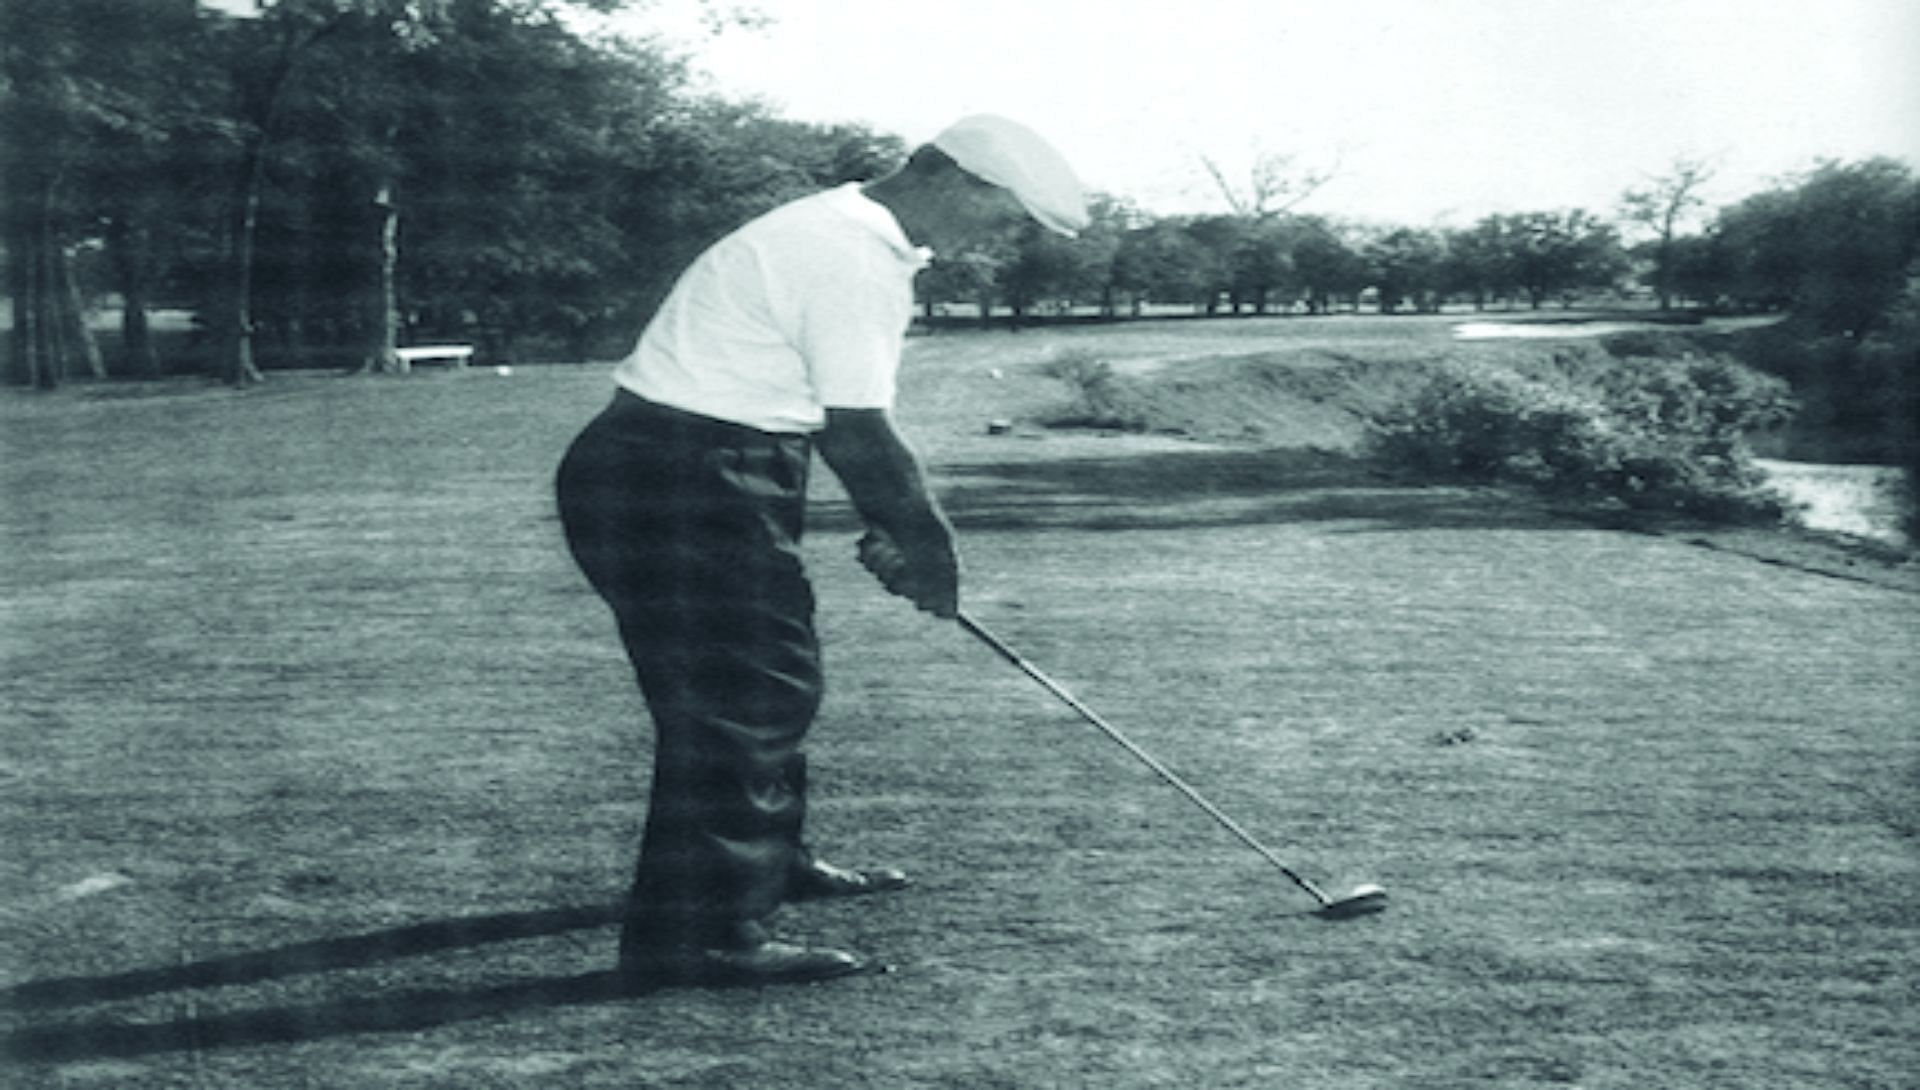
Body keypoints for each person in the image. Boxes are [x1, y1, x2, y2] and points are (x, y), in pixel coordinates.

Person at [555, 115, 1088, 990]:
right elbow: (861, 433)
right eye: (1002, 217)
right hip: (686, 474)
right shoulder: (848, 254)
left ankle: (770, 865)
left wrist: (895, 534)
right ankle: (702, 937)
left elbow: (809, 415)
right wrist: (931, 553)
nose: (996, 240)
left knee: (763, 680)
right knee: (747, 692)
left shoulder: (841, 230)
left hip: (699, 465)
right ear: (955, 182)